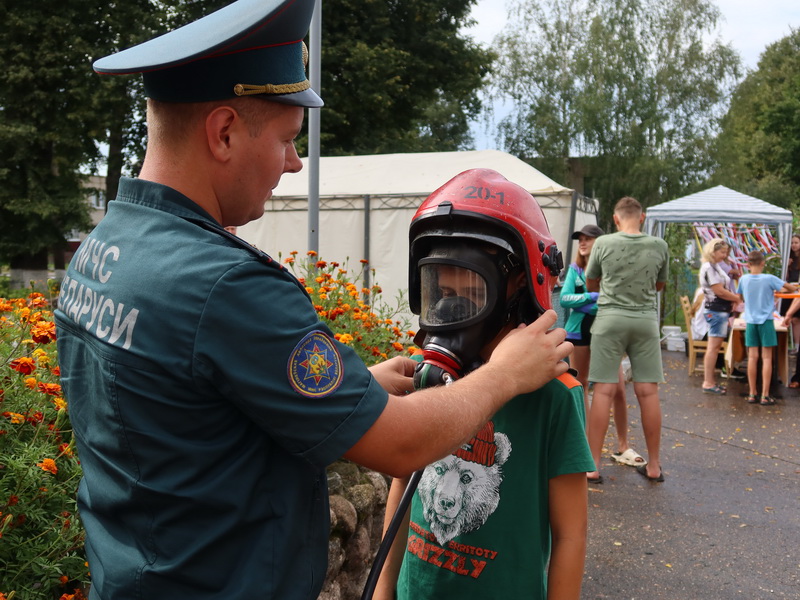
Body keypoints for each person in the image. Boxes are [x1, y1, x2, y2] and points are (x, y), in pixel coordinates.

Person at [52, 3, 573, 599]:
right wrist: (504, 375)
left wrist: (355, 393)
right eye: (285, 140)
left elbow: (190, 425)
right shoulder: (224, 284)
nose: (295, 164)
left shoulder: (106, 247)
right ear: (223, 132)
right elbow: (401, 444)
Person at [375, 169, 595, 600]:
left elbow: (571, 534)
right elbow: (404, 481)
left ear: (516, 283)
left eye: (471, 289)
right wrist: (384, 589)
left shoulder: (553, 393)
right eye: (443, 287)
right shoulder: (429, 372)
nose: (453, 306)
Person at [585, 197, 669, 483]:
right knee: (648, 392)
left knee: (603, 391)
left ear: (616, 218)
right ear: (642, 217)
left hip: (610, 320)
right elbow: (659, 285)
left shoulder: (603, 243)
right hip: (645, 321)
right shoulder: (659, 246)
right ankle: (654, 465)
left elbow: (591, 282)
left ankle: (592, 466)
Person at [560, 224, 644, 475]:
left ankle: (622, 446)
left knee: (618, 388)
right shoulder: (574, 270)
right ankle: (583, 444)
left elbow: (613, 299)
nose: (583, 243)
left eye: (589, 239)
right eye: (580, 240)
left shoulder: (609, 267)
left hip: (607, 333)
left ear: (601, 243)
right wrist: (592, 299)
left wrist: (587, 301)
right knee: (581, 385)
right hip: (578, 334)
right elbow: (565, 299)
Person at [738, 250, 798, 405]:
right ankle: (765, 395)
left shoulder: (743, 279)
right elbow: (792, 289)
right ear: (763, 263)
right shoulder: (769, 279)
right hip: (766, 321)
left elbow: (740, 296)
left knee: (752, 357)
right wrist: (778, 290)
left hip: (750, 321)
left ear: (748, 264)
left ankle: (752, 393)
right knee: (766, 358)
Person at [698, 238, 743, 394]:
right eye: (722, 252)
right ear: (713, 251)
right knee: (713, 348)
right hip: (716, 310)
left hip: (720, 310)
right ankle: (708, 383)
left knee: (714, 348)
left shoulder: (714, 266)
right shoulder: (709, 267)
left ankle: (711, 381)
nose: (725, 255)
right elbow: (719, 290)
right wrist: (736, 298)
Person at [780, 233, 800, 359]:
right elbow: (785, 278)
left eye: (796, 242)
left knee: (796, 319)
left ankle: (797, 346)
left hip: (798, 291)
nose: (793, 245)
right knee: (787, 318)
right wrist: (786, 266)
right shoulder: (789, 258)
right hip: (789, 290)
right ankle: (785, 346)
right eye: (792, 243)